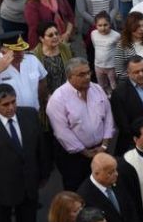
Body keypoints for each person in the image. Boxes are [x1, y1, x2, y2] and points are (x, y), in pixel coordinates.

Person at [46, 58, 114, 191]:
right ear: (69, 77)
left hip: (101, 149)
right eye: (81, 74)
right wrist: (85, 152)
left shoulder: (97, 89)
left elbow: (108, 117)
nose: (87, 77)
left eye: (88, 73)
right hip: (74, 157)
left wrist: (104, 145)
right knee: (78, 190)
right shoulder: (58, 99)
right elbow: (62, 133)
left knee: (103, 186)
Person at [0, 83, 48, 222]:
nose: (11, 107)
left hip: (29, 182)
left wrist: (44, 174)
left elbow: (41, 147)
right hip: (2, 187)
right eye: (5, 104)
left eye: (13, 102)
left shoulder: (29, 114)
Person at [76, 152, 142, 222]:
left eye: (115, 170)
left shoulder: (116, 181)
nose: (116, 174)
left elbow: (130, 206)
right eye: (110, 172)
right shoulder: (85, 196)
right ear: (96, 173)